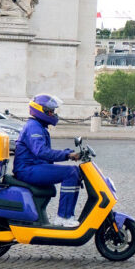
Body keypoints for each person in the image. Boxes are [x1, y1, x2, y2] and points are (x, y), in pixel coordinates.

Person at [12, 94, 82, 227]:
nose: (53, 114)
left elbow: (42, 153)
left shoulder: (38, 125)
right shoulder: (34, 127)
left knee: (74, 172)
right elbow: (41, 152)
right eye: (50, 111)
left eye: (53, 111)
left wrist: (68, 152)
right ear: (40, 110)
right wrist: (67, 155)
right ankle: (64, 217)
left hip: (32, 167)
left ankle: (68, 215)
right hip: (27, 170)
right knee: (71, 172)